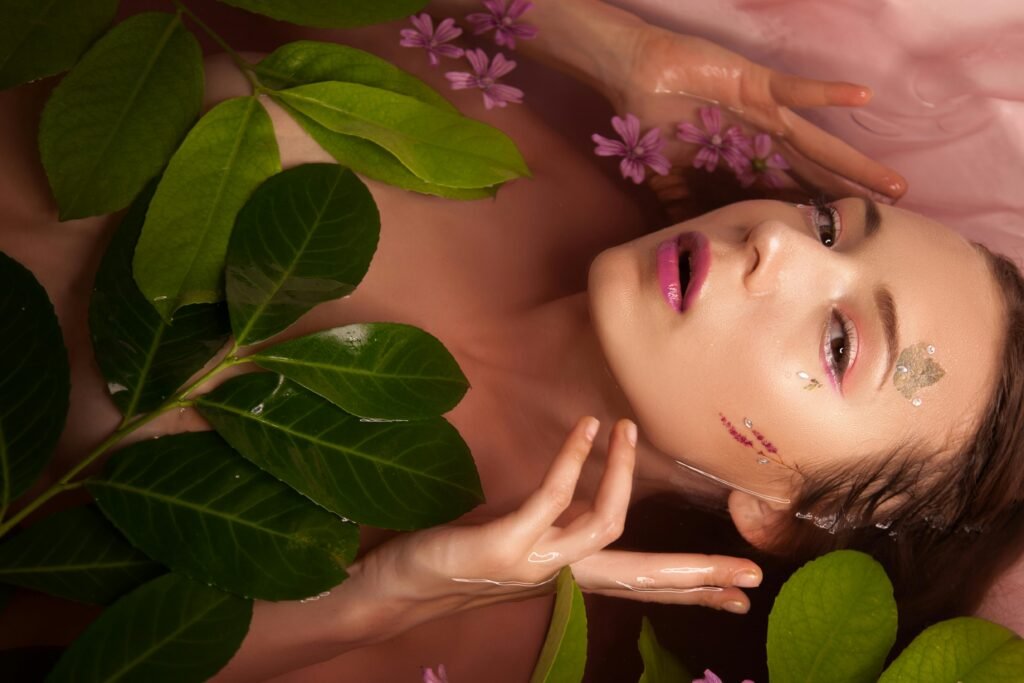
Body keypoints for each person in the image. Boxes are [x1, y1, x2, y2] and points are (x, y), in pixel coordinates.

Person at [0, 1, 1020, 681]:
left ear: (781, 516)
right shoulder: (549, 143)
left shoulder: (488, 631)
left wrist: (384, 594)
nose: (775, 246)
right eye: (833, 226)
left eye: (841, 343)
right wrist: (592, 38)